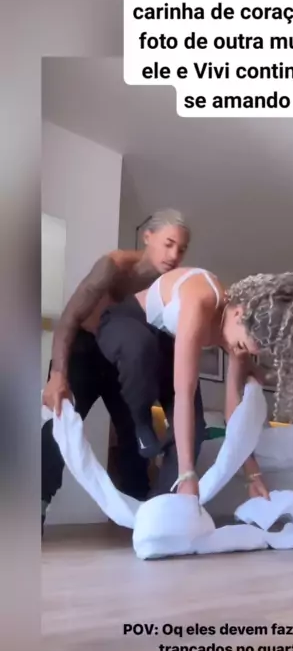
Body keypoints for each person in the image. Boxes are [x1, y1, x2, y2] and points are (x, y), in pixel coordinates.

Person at [96, 267, 293, 501]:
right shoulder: (201, 300)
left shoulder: (238, 334)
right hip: (127, 321)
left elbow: (234, 415)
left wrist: (252, 474)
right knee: (140, 348)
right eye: (241, 345)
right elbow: (184, 394)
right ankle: (141, 423)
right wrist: (187, 474)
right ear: (239, 313)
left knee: (195, 431)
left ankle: (160, 507)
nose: (239, 351)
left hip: (165, 342)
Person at [41, 209, 197, 533]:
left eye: (181, 249)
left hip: (120, 361)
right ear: (148, 237)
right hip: (83, 350)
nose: (174, 255)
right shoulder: (113, 266)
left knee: (135, 436)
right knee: (56, 427)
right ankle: (35, 507)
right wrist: (58, 375)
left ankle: (143, 521)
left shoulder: (170, 285)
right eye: (168, 244)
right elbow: (69, 319)